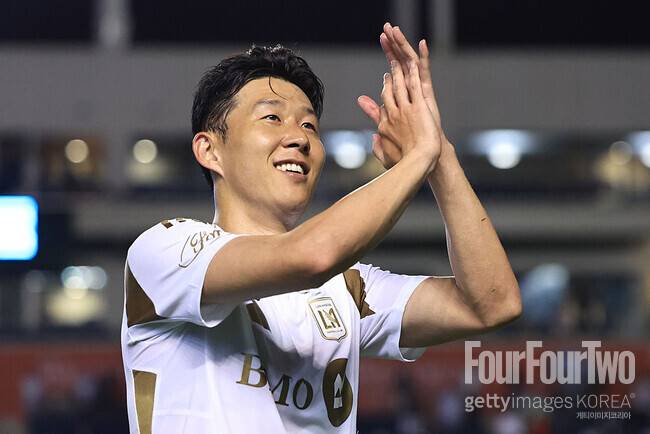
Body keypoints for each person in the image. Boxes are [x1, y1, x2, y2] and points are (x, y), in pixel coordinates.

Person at [121, 23, 522, 434]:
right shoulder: (165, 251)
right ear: (209, 150)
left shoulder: (347, 288)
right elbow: (312, 257)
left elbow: (492, 304)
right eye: (272, 118)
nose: (298, 138)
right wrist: (419, 157)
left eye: (309, 126)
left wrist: (440, 156)